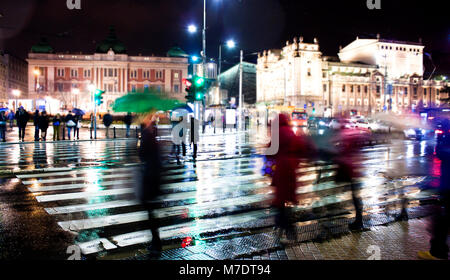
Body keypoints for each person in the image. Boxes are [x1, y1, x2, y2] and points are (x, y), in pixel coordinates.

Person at [271, 113, 315, 243]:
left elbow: (270, 152)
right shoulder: (291, 132)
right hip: (291, 171)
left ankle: (287, 227)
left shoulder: (277, 133)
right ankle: (287, 228)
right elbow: (301, 148)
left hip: (281, 170)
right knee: (287, 198)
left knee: (279, 201)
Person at [418, 119, 450, 260]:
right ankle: (438, 250)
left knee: (441, 220)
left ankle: (438, 252)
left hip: (447, 184)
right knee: (442, 220)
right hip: (445, 183)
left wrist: (440, 142)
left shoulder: (446, 139)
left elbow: (442, 153)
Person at [138, 114, 163, 257]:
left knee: (150, 212)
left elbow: (143, 155)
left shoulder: (148, 135)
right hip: (152, 177)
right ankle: (156, 241)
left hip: (151, 178)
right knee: (150, 211)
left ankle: (156, 242)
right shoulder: (150, 134)